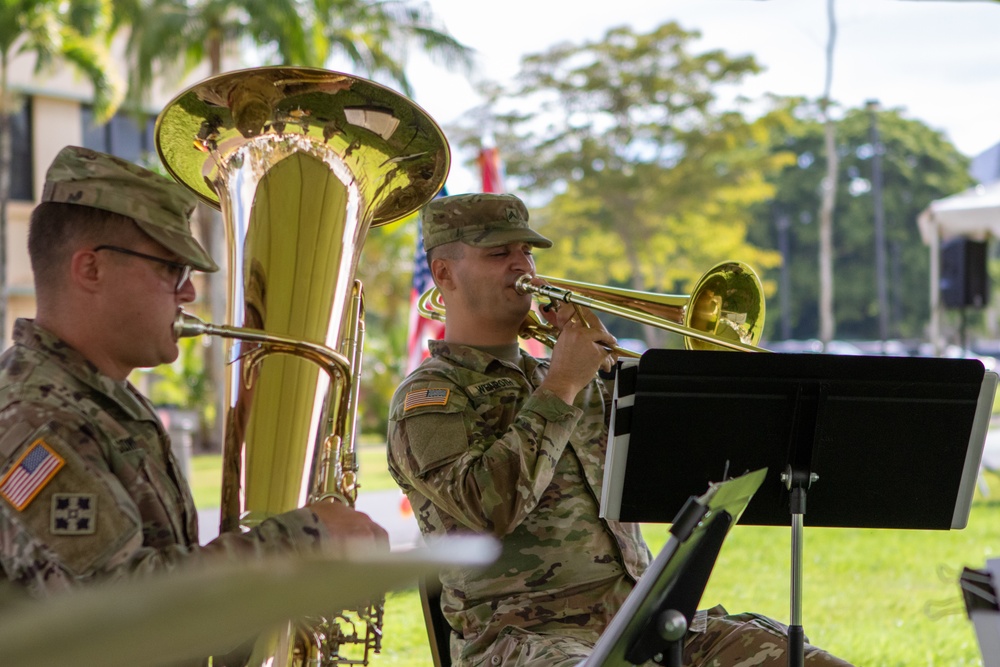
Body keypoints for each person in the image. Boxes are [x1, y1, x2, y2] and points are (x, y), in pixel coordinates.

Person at [387, 193, 853, 667]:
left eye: (527, 251)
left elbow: (678, 472)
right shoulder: (429, 397)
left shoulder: (573, 374)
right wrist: (564, 382)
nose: (522, 264)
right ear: (444, 274)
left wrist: (617, 378)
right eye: (498, 253)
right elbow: (489, 510)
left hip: (646, 623)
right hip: (527, 637)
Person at [0, 147, 388, 636]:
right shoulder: (34, 418)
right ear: (90, 269)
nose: (187, 293)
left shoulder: (102, 398)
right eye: (171, 270)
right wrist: (308, 537)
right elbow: (115, 604)